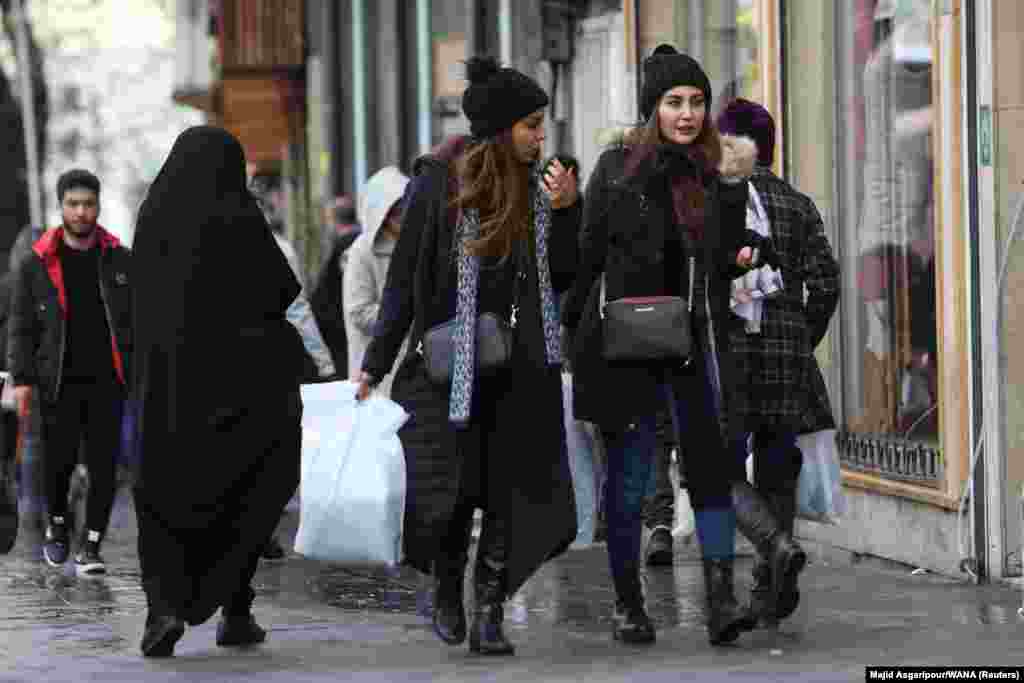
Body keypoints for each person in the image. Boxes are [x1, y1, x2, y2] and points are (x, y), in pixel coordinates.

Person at [354, 56, 581, 656]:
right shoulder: (438, 184)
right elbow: (404, 277)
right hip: (450, 369)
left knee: (509, 493)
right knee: (452, 493)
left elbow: (562, 277)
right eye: (532, 125)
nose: (541, 136)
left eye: (542, 124)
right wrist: (376, 362)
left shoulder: (538, 190)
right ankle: (449, 588)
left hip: (521, 371)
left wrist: (566, 215)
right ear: (504, 126)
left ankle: (489, 612)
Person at [562, 45, 770, 646]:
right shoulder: (618, 167)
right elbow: (587, 256)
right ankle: (629, 604)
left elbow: (724, 261)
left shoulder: (717, 171)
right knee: (629, 482)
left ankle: (720, 603)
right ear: (653, 109)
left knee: (707, 473)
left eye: (697, 102)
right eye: (674, 102)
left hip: (694, 347)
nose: (687, 114)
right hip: (626, 349)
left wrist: (742, 236)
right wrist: (576, 343)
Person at [131, 126, 309, 657]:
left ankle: (162, 607)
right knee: (246, 494)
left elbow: (135, 301)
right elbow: (282, 288)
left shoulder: (154, 217)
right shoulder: (239, 216)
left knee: (165, 499)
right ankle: (236, 608)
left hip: (171, 395)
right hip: (242, 394)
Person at [716, 98, 840, 626]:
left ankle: (776, 545)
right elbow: (827, 282)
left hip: (732, 353)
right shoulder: (796, 203)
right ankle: (771, 588)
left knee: (714, 466)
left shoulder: (715, 200)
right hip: (787, 354)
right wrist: (802, 334)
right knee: (777, 464)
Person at [8, 169, 132, 576]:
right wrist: (23, 380)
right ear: (61, 207)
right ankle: (57, 524)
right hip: (56, 380)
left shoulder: (119, 260)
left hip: (108, 379)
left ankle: (92, 543)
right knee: (56, 462)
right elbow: (22, 326)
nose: (81, 212)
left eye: (88, 204)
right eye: (73, 204)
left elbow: (136, 321)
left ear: (98, 205)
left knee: (104, 463)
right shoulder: (37, 263)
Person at [250, 173, 337, 561]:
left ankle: (259, 526)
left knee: (276, 450)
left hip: (273, 366)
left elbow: (298, 307)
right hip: (245, 369)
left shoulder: (280, 251)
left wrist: (321, 360)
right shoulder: (213, 253)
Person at [344, 166, 410, 396]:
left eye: (406, 206)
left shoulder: (420, 243)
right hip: (375, 371)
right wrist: (402, 315)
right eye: (395, 210)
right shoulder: (362, 251)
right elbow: (358, 311)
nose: (402, 214)